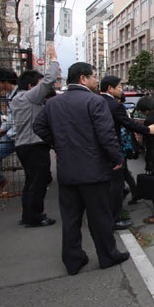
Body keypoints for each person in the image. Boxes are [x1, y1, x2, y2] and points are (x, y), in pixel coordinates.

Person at [33, 62, 130, 275]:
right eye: (94, 76)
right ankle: (108, 255)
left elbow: (38, 126)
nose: (97, 80)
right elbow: (106, 135)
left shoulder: (53, 103)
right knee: (100, 218)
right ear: (83, 79)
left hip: (67, 170)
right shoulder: (94, 101)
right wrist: (116, 158)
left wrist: (58, 144)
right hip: (94, 171)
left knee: (71, 219)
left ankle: (73, 260)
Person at [100, 76, 154, 230]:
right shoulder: (115, 106)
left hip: (97, 150)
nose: (121, 89)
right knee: (116, 185)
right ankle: (115, 219)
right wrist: (148, 130)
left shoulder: (94, 100)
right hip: (112, 149)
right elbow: (128, 123)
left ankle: (106, 214)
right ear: (110, 88)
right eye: (119, 87)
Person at [10, 43, 59, 227]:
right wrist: (53, 58)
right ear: (31, 86)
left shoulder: (17, 98)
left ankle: (28, 216)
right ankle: (35, 217)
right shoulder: (29, 97)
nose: (42, 89)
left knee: (30, 182)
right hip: (34, 145)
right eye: (38, 86)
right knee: (37, 184)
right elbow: (48, 81)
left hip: (23, 145)